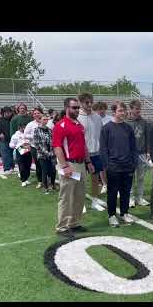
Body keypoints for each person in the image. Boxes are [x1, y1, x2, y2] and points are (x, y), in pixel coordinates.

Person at [52, 97, 95, 236]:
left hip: (81, 164)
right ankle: (62, 227)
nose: (77, 110)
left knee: (79, 196)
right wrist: (65, 166)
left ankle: (74, 223)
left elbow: (83, 145)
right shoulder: (61, 125)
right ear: (67, 108)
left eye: (78, 107)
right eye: (74, 107)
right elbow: (57, 147)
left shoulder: (79, 124)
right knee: (66, 197)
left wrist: (88, 162)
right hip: (69, 164)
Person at [100, 102, 138, 227]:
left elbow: (133, 147)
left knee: (125, 191)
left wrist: (134, 163)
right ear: (114, 112)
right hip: (113, 166)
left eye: (124, 110)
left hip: (128, 166)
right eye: (120, 110)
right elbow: (103, 149)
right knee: (112, 192)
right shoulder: (106, 128)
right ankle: (111, 215)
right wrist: (107, 165)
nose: (123, 113)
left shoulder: (128, 128)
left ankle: (124, 213)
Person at [77, 93, 106, 210]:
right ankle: (81, 203)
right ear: (81, 103)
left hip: (96, 153)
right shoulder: (77, 117)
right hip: (81, 154)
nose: (89, 104)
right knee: (80, 180)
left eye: (90, 102)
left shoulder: (97, 117)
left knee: (95, 179)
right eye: (86, 102)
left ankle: (94, 200)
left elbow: (100, 135)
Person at [127, 99, 151, 207]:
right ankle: (131, 198)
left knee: (141, 178)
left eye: (139, 109)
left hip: (142, 154)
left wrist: (148, 152)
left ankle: (140, 198)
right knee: (130, 178)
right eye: (136, 109)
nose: (138, 111)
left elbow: (147, 138)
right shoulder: (126, 123)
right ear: (131, 109)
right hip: (129, 155)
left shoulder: (144, 122)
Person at [34, 113, 57, 194]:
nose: (46, 121)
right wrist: (47, 153)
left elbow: (53, 141)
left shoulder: (50, 130)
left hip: (51, 153)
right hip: (42, 154)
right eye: (44, 119)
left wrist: (53, 152)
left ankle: (53, 184)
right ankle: (45, 187)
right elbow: (37, 144)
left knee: (53, 170)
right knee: (45, 170)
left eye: (47, 119)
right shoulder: (37, 130)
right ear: (40, 120)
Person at [24, 106, 44, 188]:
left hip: (45, 148)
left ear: (41, 113)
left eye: (38, 113)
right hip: (35, 148)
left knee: (46, 165)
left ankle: (48, 180)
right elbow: (25, 134)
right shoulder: (30, 124)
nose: (36, 115)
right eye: (35, 113)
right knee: (38, 165)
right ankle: (40, 181)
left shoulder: (46, 122)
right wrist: (34, 136)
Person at [10, 122, 32, 186]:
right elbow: (11, 144)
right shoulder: (15, 135)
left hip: (28, 150)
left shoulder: (27, 134)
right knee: (22, 166)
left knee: (28, 165)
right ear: (19, 128)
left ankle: (26, 178)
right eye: (23, 128)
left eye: (25, 127)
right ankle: (23, 180)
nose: (24, 129)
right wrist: (17, 147)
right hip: (20, 150)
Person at [0, 106, 15, 174]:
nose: (8, 114)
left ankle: (12, 167)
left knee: (12, 154)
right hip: (3, 140)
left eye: (9, 112)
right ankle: (6, 168)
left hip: (13, 140)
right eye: (6, 113)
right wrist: (0, 133)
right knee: (5, 154)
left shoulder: (13, 119)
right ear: (3, 113)